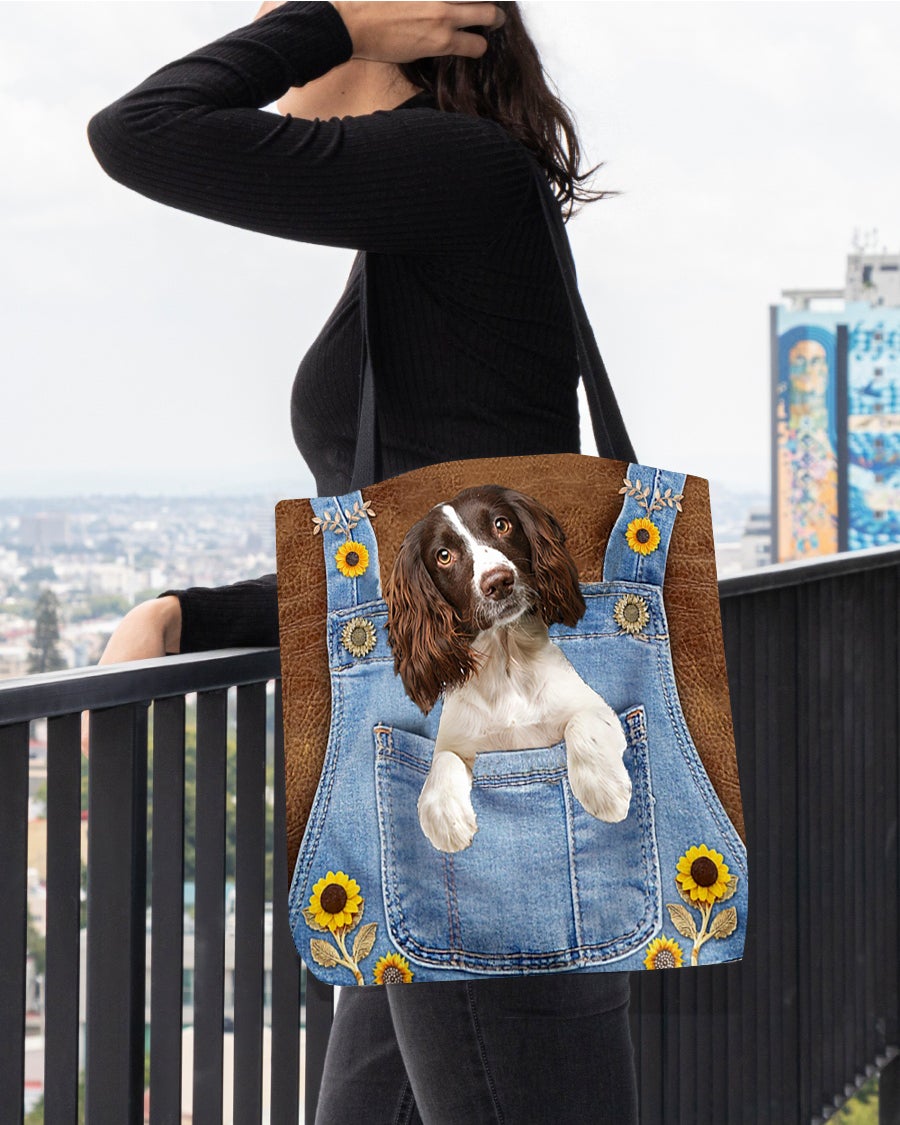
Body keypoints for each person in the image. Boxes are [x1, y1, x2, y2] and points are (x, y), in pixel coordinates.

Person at [87, 3, 639, 1121]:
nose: (268, 31)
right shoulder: (442, 205)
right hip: (446, 779)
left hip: (483, 797)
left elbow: (139, 130)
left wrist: (335, 24)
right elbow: (429, 560)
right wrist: (195, 614)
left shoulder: (456, 170)